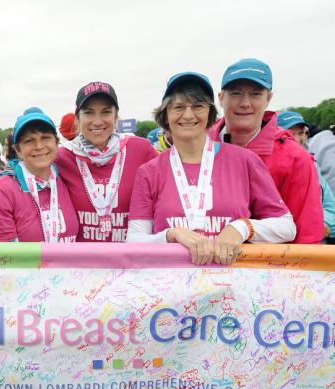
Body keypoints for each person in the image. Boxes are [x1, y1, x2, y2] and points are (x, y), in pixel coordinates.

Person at [128, 72, 296, 264]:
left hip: (231, 287)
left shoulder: (245, 161)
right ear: (165, 114)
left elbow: (286, 226)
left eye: (198, 106)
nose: (188, 115)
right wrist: (171, 235)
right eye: (178, 107)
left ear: (210, 112)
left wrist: (242, 228)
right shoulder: (149, 171)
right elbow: (134, 240)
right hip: (170, 287)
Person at [209, 58, 323, 244]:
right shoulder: (198, 147)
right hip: (199, 268)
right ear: (221, 98)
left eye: (255, 94)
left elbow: (307, 233)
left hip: (268, 270)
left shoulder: (295, 158)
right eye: (236, 93)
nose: (245, 103)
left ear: (268, 98)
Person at [54, 81, 158, 242]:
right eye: (89, 113)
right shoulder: (62, 157)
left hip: (130, 262)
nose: (97, 121)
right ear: (78, 118)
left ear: (116, 116)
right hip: (81, 263)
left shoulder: (142, 150)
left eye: (105, 112)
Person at [0, 111, 78, 242]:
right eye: (29, 141)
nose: (39, 146)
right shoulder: (1, 191)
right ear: (18, 150)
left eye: (45, 138)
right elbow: (2, 258)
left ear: (56, 143)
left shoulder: (65, 179)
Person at [278, 111, 335, 242]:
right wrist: (313, 225)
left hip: (315, 249)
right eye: (289, 134)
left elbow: (332, 210)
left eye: (301, 133)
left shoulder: (313, 165)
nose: (297, 139)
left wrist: (322, 224)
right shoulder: (269, 167)